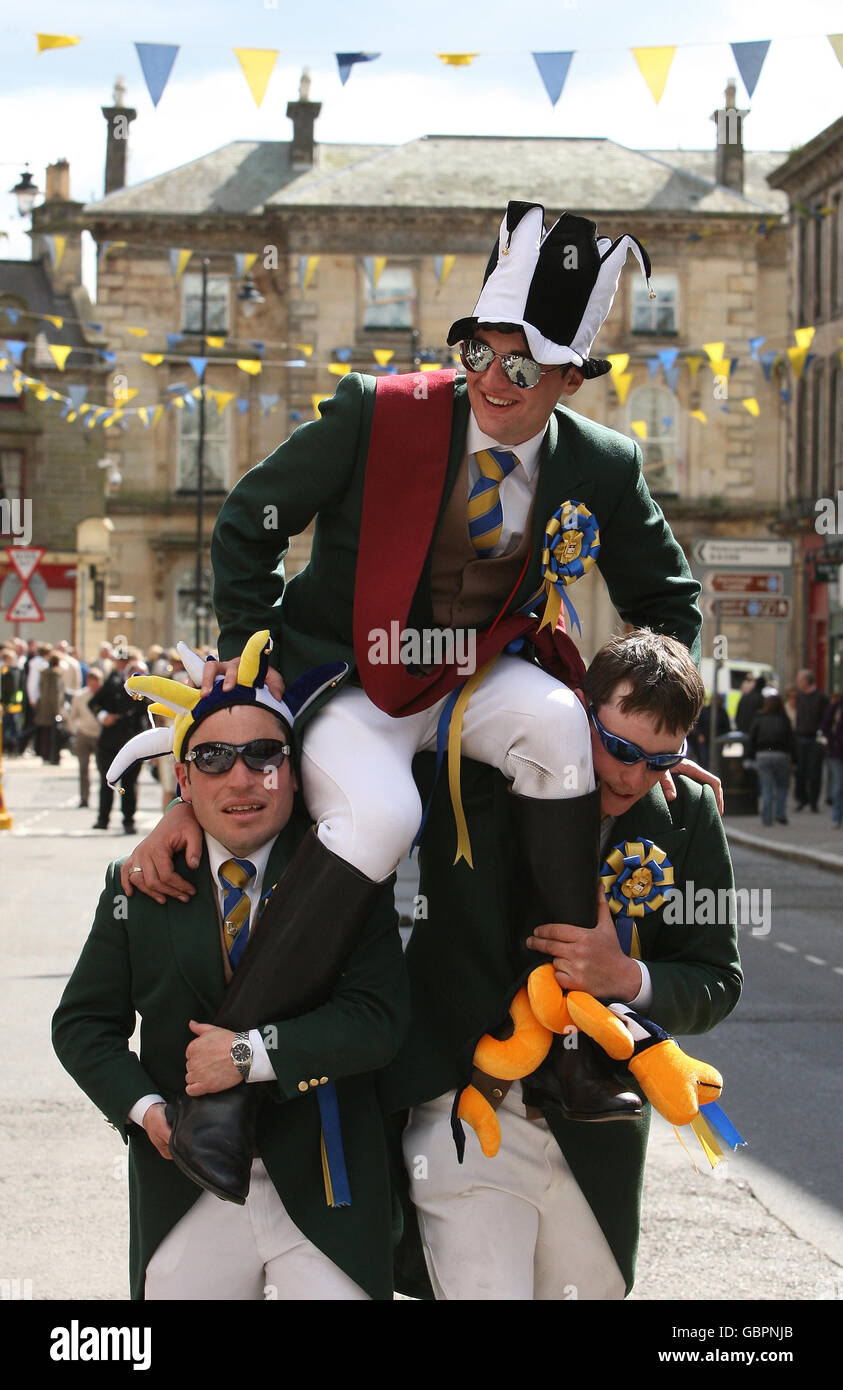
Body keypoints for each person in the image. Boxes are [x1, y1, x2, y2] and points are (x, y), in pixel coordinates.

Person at [121, 201, 712, 1175]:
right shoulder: (377, 409)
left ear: (570, 378)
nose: (492, 379)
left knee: (561, 728)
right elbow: (248, 519)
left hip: (476, 675)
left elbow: (668, 600)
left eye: (523, 365)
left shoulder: (601, 465)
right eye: (479, 351)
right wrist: (247, 658)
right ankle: (221, 1082)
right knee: (384, 811)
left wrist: (665, 731)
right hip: (353, 673)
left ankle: (570, 1034)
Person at [385, 630, 742, 1300]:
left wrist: (626, 978)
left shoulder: (687, 813)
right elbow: (356, 743)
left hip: (596, 1133)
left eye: (661, 760)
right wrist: (185, 806)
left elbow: (716, 979)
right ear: (578, 709)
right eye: (620, 749)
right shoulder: (478, 772)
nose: (632, 777)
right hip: (469, 1106)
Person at [52, 639, 408, 1300]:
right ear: (183, 782)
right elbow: (82, 1026)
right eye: (213, 759)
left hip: (326, 1188)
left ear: (294, 772)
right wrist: (148, 1113)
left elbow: (377, 1021)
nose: (241, 779)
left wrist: (247, 1055)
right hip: (186, 1187)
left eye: (264, 755)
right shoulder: (138, 885)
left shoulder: (349, 877)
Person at [88, 645, 149, 833]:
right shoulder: (113, 682)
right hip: (110, 740)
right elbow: (94, 703)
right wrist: (103, 716)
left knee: (130, 783)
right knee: (107, 780)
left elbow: (147, 715)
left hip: (133, 742)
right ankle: (103, 818)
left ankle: (128, 820)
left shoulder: (145, 690)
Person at [745, 687, 795, 828]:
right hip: (782, 754)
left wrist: (749, 756)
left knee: (766, 787)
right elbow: (791, 739)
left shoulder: (760, 717)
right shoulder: (784, 719)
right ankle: (781, 813)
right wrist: (795, 759)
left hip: (763, 754)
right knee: (782, 786)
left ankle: (767, 818)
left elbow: (752, 738)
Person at [794, 669, 829, 812]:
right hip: (801, 736)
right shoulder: (800, 696)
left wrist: (822, 734)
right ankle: (802, 799)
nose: (798, 683)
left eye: (799, 680)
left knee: (815, 772)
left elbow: (825, 718)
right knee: (800, 772)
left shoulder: (821, 697)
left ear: (806, 681)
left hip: (815, 738)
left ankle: (814, 802)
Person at [67, 666, 103, 808]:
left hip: (99, 734)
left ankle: (103, 800)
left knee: (103, 768)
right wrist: (75, 730)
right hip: (84, 733)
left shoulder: (104, 694)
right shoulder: (80, 696)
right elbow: (72, 716)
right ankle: (84, 797)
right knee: (83, 767)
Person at [34, 651, 66, 764]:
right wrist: (58, 710)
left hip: (43, 707)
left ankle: (45, 755)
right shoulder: (55, 675)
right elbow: (56, 693)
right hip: (52, 709)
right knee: (53, 734)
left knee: (45, 733)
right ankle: (52, 756)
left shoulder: (44, 673)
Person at [821, 690, 843, 828]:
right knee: (838, 785)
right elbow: (825, 726)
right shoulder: (836, 708)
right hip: (836, 752)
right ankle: (836, 817)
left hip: (836, 750)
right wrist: (833, 740)